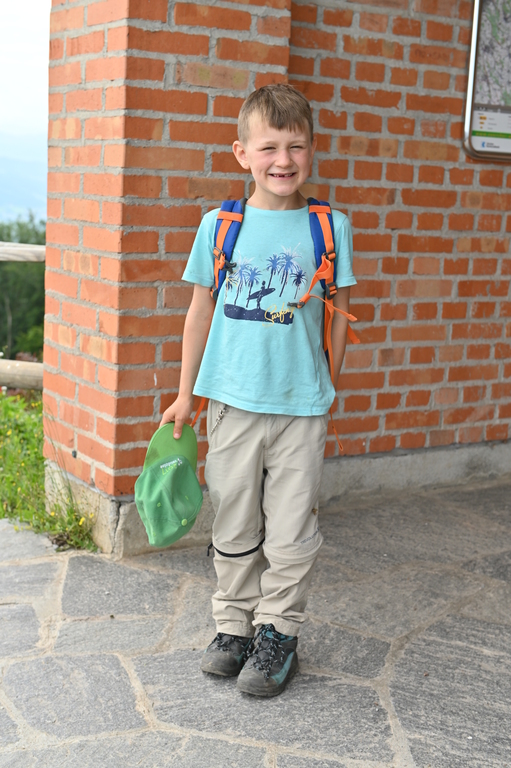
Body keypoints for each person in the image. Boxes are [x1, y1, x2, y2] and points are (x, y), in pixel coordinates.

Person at [160, 84, 356, 697]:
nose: (283, 160)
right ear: (242, 152)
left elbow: (338, 317)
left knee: (292, 529)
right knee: (235, 519)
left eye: (296, 146)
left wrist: (326, 387)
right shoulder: (220, 227)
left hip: (300, 408)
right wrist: (186, 395)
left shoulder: (330, 227)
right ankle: (233, 626)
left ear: (311, 150)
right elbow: (199, 313)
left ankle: (278, 633)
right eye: (269, 147)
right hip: (231, 403)